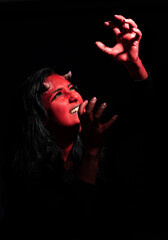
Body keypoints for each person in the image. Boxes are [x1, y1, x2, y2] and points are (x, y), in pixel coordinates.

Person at [1, 14, 156, 239]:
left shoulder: (98, 137)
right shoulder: (29, 177)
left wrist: (134, 64)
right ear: (41, 118)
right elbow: (74, 227)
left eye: (72, 87)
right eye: (58, 95)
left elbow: (150, 113)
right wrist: (92, 151)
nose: (73, 96)